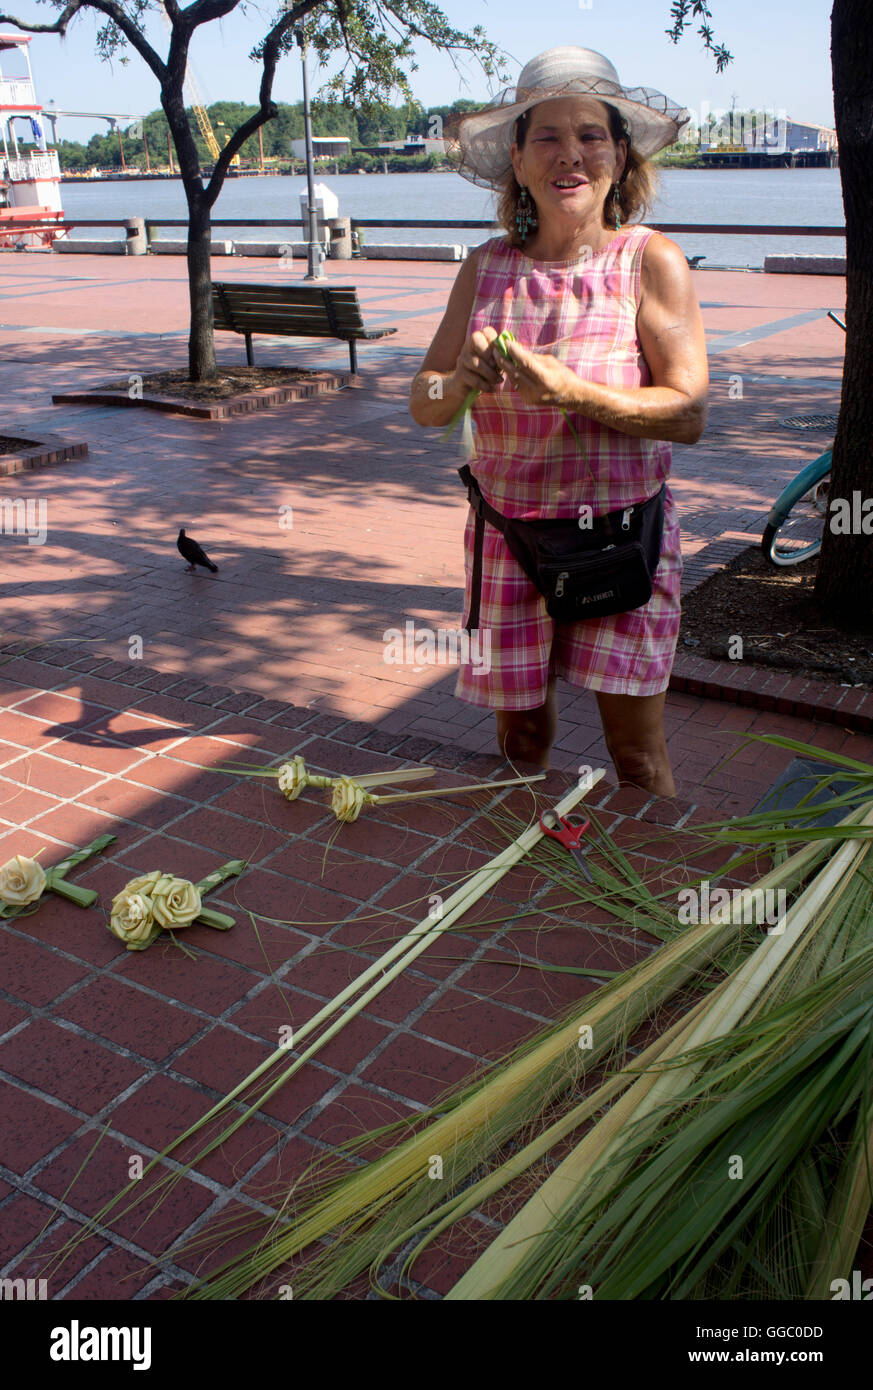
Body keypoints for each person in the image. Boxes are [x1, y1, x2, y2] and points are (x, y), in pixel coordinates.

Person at [409, 47, 708, 797]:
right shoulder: (482, 268)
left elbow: (688, 412)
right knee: (520, 741)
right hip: (508, 542)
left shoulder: (650, 262)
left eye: (589, 135)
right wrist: (462, 382)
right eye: (545, 136)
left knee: (635, 760)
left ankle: (651, 904)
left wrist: (570, 392)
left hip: (618, 541)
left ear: (618, 153)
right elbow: (425, 400)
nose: (568, 154)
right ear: (515, 157)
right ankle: (524, 892)